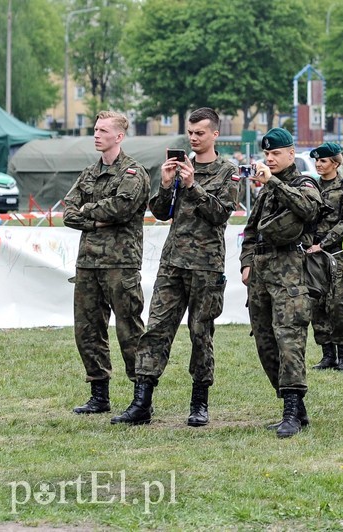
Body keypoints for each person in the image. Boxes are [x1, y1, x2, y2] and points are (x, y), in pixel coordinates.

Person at [111, 107, 239, 427]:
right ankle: (142, 402)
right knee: (156, 330)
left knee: (200, 334)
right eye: (190, 133)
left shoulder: (228, 171)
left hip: (206, 267)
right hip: (172, 263)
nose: (194, 139)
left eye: (200, 133)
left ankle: (199, 403)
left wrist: (193, 186)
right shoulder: (182, 167)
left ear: (214, 135)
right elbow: (161, 213)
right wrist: (167, 184)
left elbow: (220, 214)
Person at [63, 111, 151, 415]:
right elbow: (68, 213)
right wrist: (97, 221)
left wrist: (90, 213)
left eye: (103, 130)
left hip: (120, 263)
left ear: (119, 136)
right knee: (87, 329)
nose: (97, 134)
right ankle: (98, 394)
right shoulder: (88, 173)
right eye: (96, 129)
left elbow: (122, 208)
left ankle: (142, 398)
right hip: (88, 263)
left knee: (129, 329)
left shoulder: (134, 173)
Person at [240, 128, 323, 438]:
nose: (270, 159)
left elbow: (309, 209)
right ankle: (296, 410)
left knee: (289, 340)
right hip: (261, 274)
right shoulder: (264, 192)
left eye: (276, 154)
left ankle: (291, 409)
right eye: (267, 155)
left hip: (291, 272)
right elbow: (250, 231)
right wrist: (246, 263)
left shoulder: (304, 183)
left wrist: (273, 181)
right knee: (265, 342)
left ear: (291, 154)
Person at [307, 142, 343, 373]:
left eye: (323, 160)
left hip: (336, 254)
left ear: (335, 163)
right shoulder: (310, 186)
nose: (318, 164)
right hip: (312, 255)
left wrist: (323, 243)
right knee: (317, 305)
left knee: (337, 304)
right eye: (317, 160)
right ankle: (327, 354)